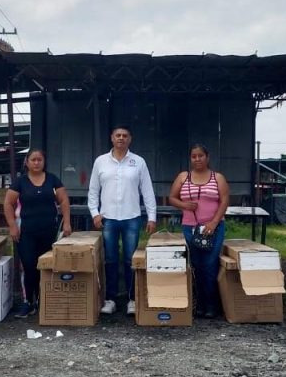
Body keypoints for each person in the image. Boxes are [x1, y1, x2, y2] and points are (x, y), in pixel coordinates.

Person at [88, 124, 157, 315]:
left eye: (125, 135)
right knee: (110, 259)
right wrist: (95, 213)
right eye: (117, 135)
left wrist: (151, 216)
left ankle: (131, 299)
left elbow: (147, 191)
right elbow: (93, 191)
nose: (121, 138)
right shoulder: (101, 162)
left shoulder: (138, 162)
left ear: (130, 139)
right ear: (111, 138)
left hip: (131, 218)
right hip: (108, 218)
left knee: (130, 259)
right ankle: (110, 299)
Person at [3, 149, 72, 317]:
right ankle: (28, 302)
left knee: (46, 266)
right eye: (33, 160)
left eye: (39, 159)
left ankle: (44, 300)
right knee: (29, 266)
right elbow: (8, 204)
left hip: (49, 231)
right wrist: (12, 225)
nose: (36, 162)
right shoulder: (20, 182)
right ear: (27, 162)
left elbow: (63, 200)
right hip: (26, 231)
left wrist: (67, 223)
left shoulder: (52, 179)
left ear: (43, 162)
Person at [168, 143, 230, 318]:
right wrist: (184, 205)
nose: (197, 159)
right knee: (195, 265)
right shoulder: (183, 177)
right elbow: (172, 198)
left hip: (214, 228)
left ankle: (211, 305)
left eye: (200, 156)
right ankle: (198, 304)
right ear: (190, 159)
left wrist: (214, 222)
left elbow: (224, 200)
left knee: (210, 264)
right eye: (194, 156)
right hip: (190, 227)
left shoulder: (217, 177)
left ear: (207, 157)